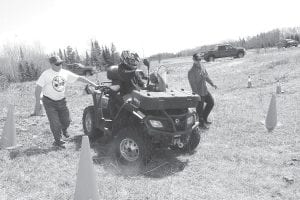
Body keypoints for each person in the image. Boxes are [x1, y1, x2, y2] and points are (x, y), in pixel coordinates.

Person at [32, 55, 98, 148]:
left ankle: (64, 129)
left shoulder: (65, 73)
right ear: (51, 64)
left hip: (62, 101)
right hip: (49, 102)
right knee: (55, 122)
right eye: (57, 64)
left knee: (66, 121)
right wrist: (38, 102)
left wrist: (93, 84)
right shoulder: (46, 74)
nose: (60, 65)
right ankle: (58, 141)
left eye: (61, 63)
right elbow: (38, 88)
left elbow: (79, 78)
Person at [188, 53, 217, 129]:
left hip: (205, 90)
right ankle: (200, 124)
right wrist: (197, 96)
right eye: (197, 60)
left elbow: (206, 76)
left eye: (200, 59)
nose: (199, 61)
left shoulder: (202, 66)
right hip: (199, 92)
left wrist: (212, 84)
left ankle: (204, 118)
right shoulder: (191, 72)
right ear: (194, 60)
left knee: (211, 102)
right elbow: (193, 85)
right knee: (199, 110)